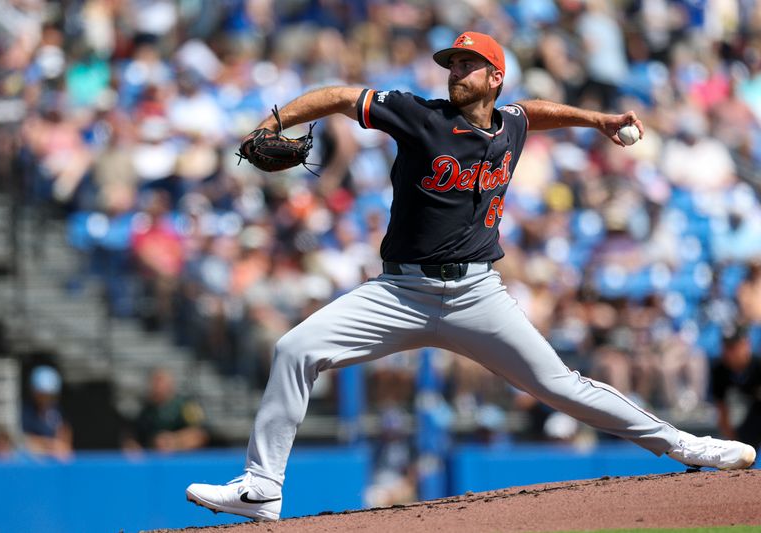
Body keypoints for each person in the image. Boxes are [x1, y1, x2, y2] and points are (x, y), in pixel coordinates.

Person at [186, 31, 756, 522]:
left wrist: (597, 120)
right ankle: (261, 489)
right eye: (451, 64)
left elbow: (534, 111)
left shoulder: (510, 124)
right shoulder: (420, 115)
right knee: (294, 349)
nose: (454, 72)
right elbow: (339, 96)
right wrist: (275, 120)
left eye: (466, 64)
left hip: (477, 294)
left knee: (562, 386)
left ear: (494, 77)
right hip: (399, 292)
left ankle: (687, 445)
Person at [124, 368, 210, 452]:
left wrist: (175, 441)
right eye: (154, 381)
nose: (156, 386)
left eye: (160, 381)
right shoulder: (146, 411)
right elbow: (133, 437)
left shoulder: (185, 406)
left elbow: (200, 434)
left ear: (170, 384)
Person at [710, 325, 761, 451]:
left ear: (746, 345)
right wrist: (733, 442)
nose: (729, 353)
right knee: (742, 448)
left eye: (733, 347)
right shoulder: (720, 369)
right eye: (726, 347)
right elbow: (721, 409)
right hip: (750, 413)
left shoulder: (758, 365)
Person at [21, 365, 73, 459]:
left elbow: (64, 434)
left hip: (54, 463)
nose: (46, 398)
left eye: (49, 395)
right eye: (42, 394)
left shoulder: (56, 411)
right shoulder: (25, 412)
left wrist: (62, 446)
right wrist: (50, 445)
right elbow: (24, 441)